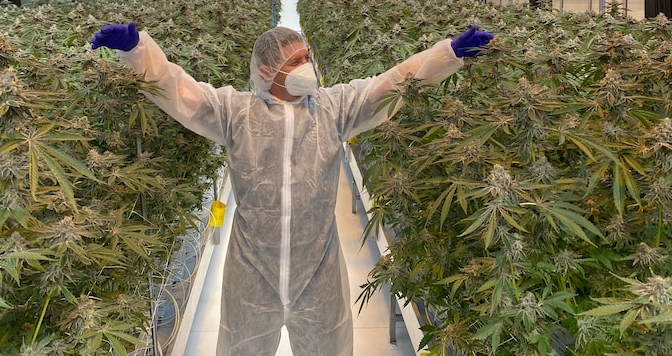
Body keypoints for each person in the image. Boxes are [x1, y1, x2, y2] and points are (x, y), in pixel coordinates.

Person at [91, 21, 495, 356]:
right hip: (252, 270)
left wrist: (449, 55)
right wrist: (137, 49)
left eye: (308, 58)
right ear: (268, 71)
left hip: (317, 269)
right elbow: (178, 91)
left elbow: (391, 85)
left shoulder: (334, 109)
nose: (309, 66)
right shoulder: (234, 112)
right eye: (298, 60)